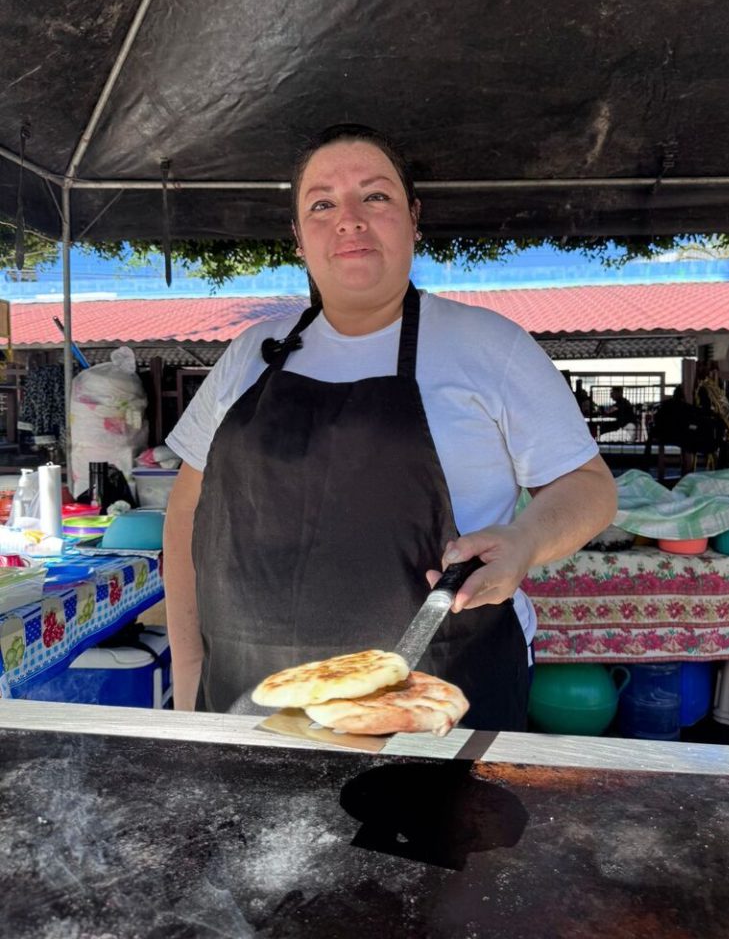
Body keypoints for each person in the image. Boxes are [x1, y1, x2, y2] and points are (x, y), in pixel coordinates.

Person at [163, 124, 617, 731]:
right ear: (299, 237)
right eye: (322, 204)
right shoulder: (249, 356)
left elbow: (589, 485)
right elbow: (187, 512)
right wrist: (188, 669)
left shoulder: (489, 346)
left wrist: (526, 541)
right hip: (251, 701)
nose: (349, 218)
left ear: (413, 218)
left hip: (440, 696)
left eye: (374, 196)